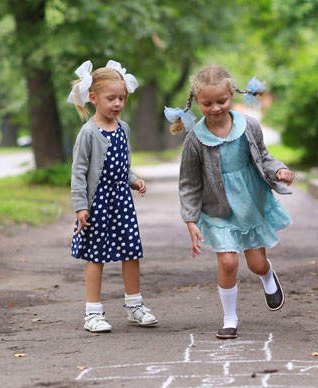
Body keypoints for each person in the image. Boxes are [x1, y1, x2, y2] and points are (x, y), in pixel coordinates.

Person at [165, 65, 294, 340]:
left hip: (249, 205)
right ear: (197, 101)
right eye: (207, 103)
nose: (215, 108)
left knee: (256, 263)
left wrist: (279, 170)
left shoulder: (248, 126)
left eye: (221, 101)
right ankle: (230, 319)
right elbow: (188, 183)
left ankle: (267, 275)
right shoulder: (195, 140)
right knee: (227, 263)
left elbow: (264, 157)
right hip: (218, 209)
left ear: (232, 96)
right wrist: (190, 219)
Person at [67, 60, 158, 333]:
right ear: (93, 98)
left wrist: (134, 180)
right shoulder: (88, 132)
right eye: (111, 98)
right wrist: (80, 206)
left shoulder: (123, 128)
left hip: (121, 202)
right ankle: (93, 313)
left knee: (132, 253)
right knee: (97, 257)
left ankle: (134, 306)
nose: (117, 103)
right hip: (97, 204)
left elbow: (124, 165)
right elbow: (79, 172)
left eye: (122, 98)